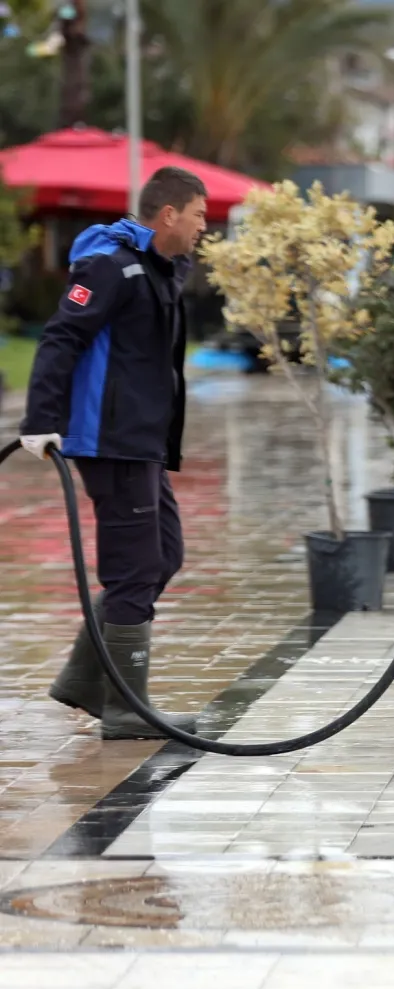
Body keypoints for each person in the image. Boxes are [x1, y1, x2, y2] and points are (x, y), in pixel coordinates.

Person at [18, 167, 211, 739]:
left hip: (141, 441)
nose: (204, 226)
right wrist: (41, 421)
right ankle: (128, 709)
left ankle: (84, 680)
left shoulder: (155, 268)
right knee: (135, 570)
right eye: (198, 215)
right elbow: (63, 335)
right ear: (169, 213)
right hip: (110, 441)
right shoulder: (110, 266)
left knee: (163, 556)